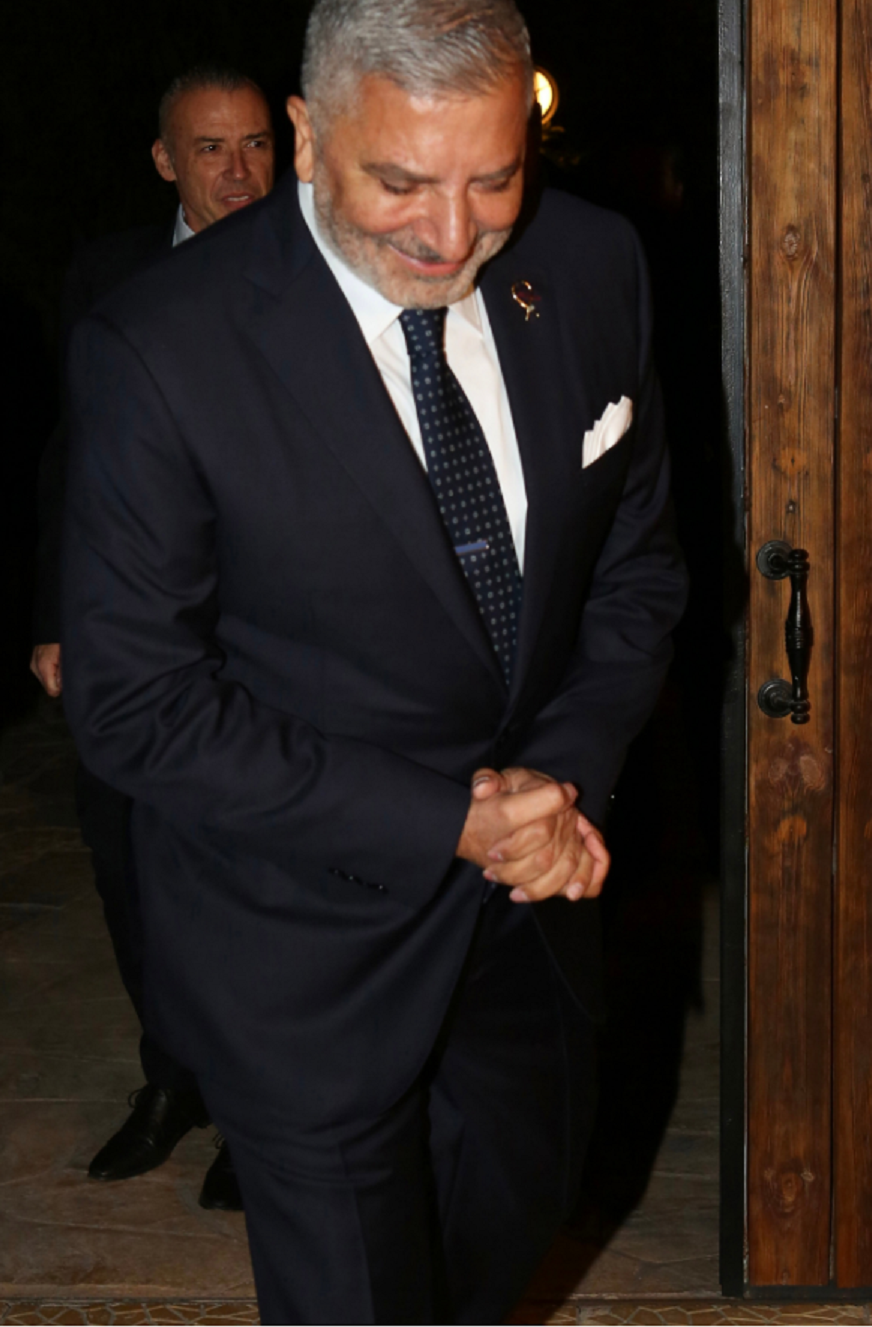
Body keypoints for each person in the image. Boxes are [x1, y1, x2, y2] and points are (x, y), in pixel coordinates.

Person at [61, 0, 688, 1319]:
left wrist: (557, 785)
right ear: (305, 137)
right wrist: (447, 817)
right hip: (298, 940)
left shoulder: (590, 266)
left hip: (531, 918)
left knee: (509, 1234)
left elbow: (634, 575)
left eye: (494, 178)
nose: (452, 235)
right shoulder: (160, 346)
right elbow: (137, 705)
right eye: (399, 181)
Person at [32, 64, 274, 1211]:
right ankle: (173, 1078)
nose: (240, 170)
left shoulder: (326, 270)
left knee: (252, 879)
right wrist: (54, 618)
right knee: (125, 860)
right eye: (211, 148)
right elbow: (71, 455)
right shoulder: (108, 274)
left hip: (269, 640)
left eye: (258, 143)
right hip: (130, 631)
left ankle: (256, 1108)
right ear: (165, 160)